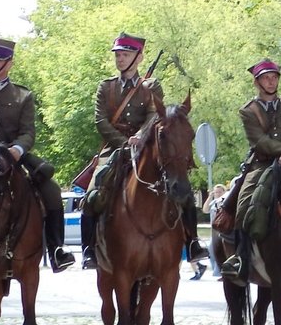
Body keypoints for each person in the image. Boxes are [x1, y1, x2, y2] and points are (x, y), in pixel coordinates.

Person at [80, 32, 208, 269]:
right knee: (92, 193)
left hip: (146, 146)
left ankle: (192, 243)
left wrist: (140, 135)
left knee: (181, 187)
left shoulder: (151, 85)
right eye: (118, 55)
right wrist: (123, 141)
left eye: (125, 54)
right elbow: (101, 121)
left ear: (139, 58)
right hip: (114, 147)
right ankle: (89, 250)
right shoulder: (106, 87)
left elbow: (154, 115)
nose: (120, 59)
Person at [0, 37, 75, 272]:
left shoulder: (23, 96)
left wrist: (17, 150)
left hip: (10, 158)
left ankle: (56, 249)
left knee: (51, 189)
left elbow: (28, 133)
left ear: (8, 63)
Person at [221, 58, 281, 279]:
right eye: (266, 78)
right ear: (257, 82)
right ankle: (240, 258)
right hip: (261, 165)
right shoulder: (248, 111)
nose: (271, 82)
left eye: (274, 77)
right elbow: (260, 142)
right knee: (244, 204)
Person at [203, 183, 227, 276]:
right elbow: (205, 210)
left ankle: (220, 271)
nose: (217, 194)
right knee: (211, 249)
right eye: (216, 192)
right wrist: (210, 196)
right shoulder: (213, 202)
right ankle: (217, 270)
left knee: (218, 249)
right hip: (213, 231)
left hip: (221, 230)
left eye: (219, 192)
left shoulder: (225, 201)